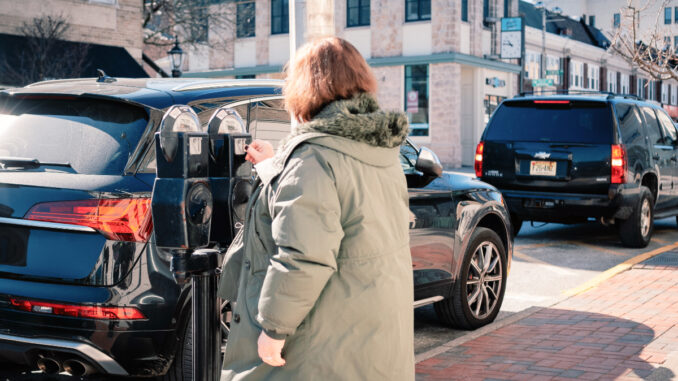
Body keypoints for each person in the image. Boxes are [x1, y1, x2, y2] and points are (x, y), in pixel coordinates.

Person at [218, 36, 414, 381]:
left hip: (321, 340)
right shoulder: (380, 151)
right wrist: (277, 165)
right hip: (371, 330)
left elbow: (303, 256)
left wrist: (273, 330)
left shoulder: (314, 157)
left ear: (306, 87)